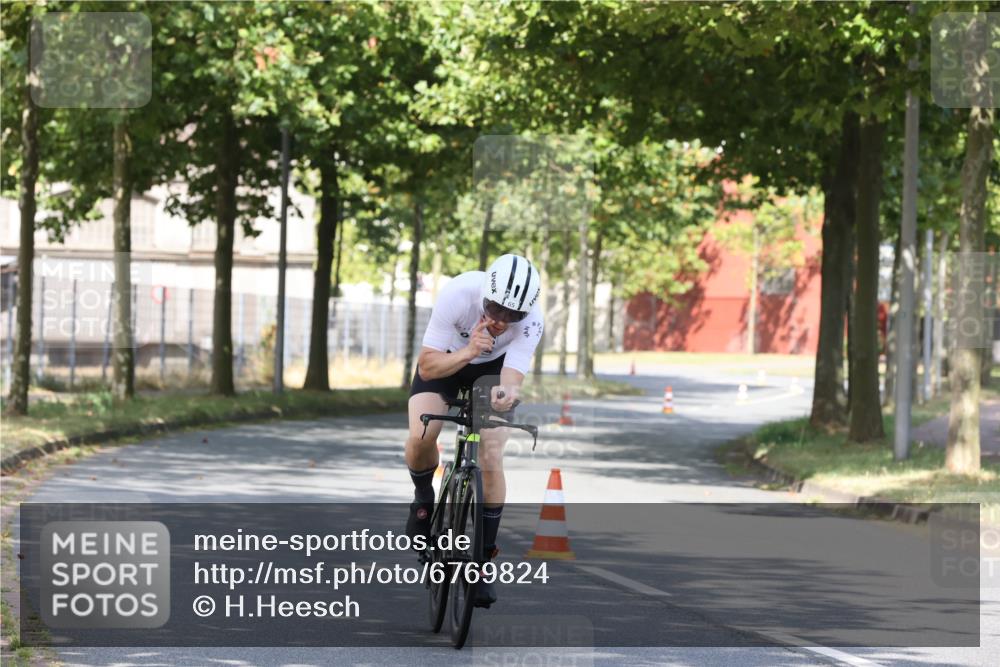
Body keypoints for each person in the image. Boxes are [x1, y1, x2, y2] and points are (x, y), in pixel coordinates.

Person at [405, 253, 543, 607]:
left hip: (492, 370)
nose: (500, 321)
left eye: (512, 316)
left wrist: (504, 395)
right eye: (495, 309)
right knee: (423, 433)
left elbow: (512, 376)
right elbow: (427, 365)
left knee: (492, 454)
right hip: (448, 360)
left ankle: (482, 563)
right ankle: (423, 499)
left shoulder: (531, 322)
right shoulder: (459, 292)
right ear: (486, 293)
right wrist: (468, 350)